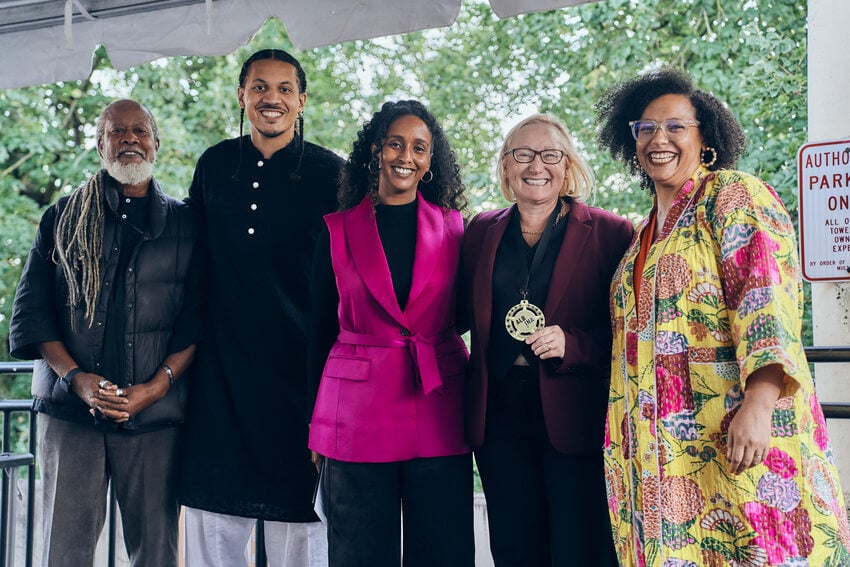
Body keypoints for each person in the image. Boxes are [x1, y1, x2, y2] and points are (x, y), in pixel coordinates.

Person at [596, 67, 850, 566]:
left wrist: (759, 401)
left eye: (674, 126)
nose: (658, 139)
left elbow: (767, 297)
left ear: (704, 137)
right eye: (644, 128)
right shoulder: (641, 238)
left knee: (755, 548)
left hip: (733, 430)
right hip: (659, 454)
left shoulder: (732, 195)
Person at [9, 99, 200, 567]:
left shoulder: (186, 224)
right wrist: (78, 380)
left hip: (155, 419)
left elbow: (198, 318)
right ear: (100, 145)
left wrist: (154, 389)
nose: (130, 139)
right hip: (71, 414)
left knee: (156, 554)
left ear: (157, 143)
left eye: (140, 130)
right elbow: (32, 314)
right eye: (118, 131)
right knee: (63, 553)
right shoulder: (63, 218)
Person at [177, 49, 343, 566]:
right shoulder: (215, 165)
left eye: (284, 88)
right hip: (220, 378)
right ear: (242, 96)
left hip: (300, 379)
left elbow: (346, 284)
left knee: (302, 529)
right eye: (260, 87)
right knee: (212, 525)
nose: (272, 98)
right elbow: (193, 264)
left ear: (301, 100)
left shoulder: (331, 173)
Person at [461, 113, 632, 566]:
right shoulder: (480, 230)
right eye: (523, 154)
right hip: (499, 417)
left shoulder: (612, 232)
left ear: (568, 165)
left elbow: (631, 334)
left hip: (575, 414)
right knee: (515, 549)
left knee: (577, 549)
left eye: (550, 154)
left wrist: (572, 344)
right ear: (505, 167)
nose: (536, 165)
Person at [308, 99, 474, 566]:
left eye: (419, 148)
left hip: (438, 404)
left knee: (443, 551)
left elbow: (465, 313)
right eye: (396, 143)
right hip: (355, 416)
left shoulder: (455, 228)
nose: (407, 156)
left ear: (430, 160)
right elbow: (319, 330)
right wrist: (314, 425)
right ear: (377, 149)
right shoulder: (336, 230)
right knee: (359, 551)